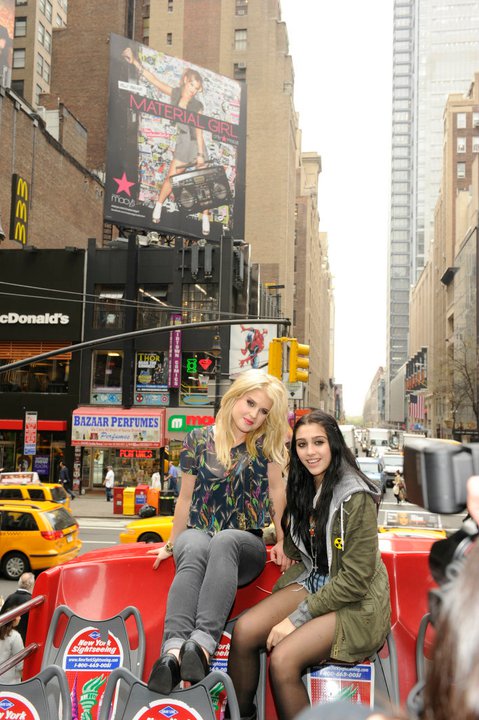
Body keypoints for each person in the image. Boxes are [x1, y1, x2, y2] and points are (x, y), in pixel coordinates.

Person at [227, 409, 391, 720]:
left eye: (318, 442)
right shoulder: (304, 486)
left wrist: (297, 618)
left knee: (284, 659)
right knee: (245, 631)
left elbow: (355, 581)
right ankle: (240, 715)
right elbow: (299, 544)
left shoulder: (356, 496)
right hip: (315, 582)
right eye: (302, 445)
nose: (310, 452)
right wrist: (270, 538)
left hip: (356, 603)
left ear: (334, 445)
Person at [146, 369, 290, 695]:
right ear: (235, 397)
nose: (253, 414)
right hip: (200, 533)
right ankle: (171, 654)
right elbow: (185, 499)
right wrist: (170, 544)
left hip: (244, 545)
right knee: (194, 543)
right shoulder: (197, 440)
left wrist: (282, 540)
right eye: (250, 402)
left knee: (224, 539)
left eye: (264, 410)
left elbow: (277, 495)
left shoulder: (266, 445)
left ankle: (202, 644)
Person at [122, 47, 211, 235]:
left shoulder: (197, 105)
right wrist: (135, 62)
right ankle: (158, 206)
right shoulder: (175, 94)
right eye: (191, 85)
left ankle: (205, 217)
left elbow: (199, 130)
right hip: (182, 142)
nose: (193, 90)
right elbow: (155, 81)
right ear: (186, 81)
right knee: (171, 178)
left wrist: (201, 154)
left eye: (196, 88)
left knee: (202, 182)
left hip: (196, 144)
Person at [0, 572, 35, 644]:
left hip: (7, 636)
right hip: (25, 638)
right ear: (31, 585)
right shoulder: (31, 601)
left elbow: (2, 616)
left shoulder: (10, 597)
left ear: (19, 582)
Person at [0, 613, 24, 684]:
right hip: (10, 681)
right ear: (13, 619)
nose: (20, 618)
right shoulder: (15, 636)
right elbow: (20, 664)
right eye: (18, 616)